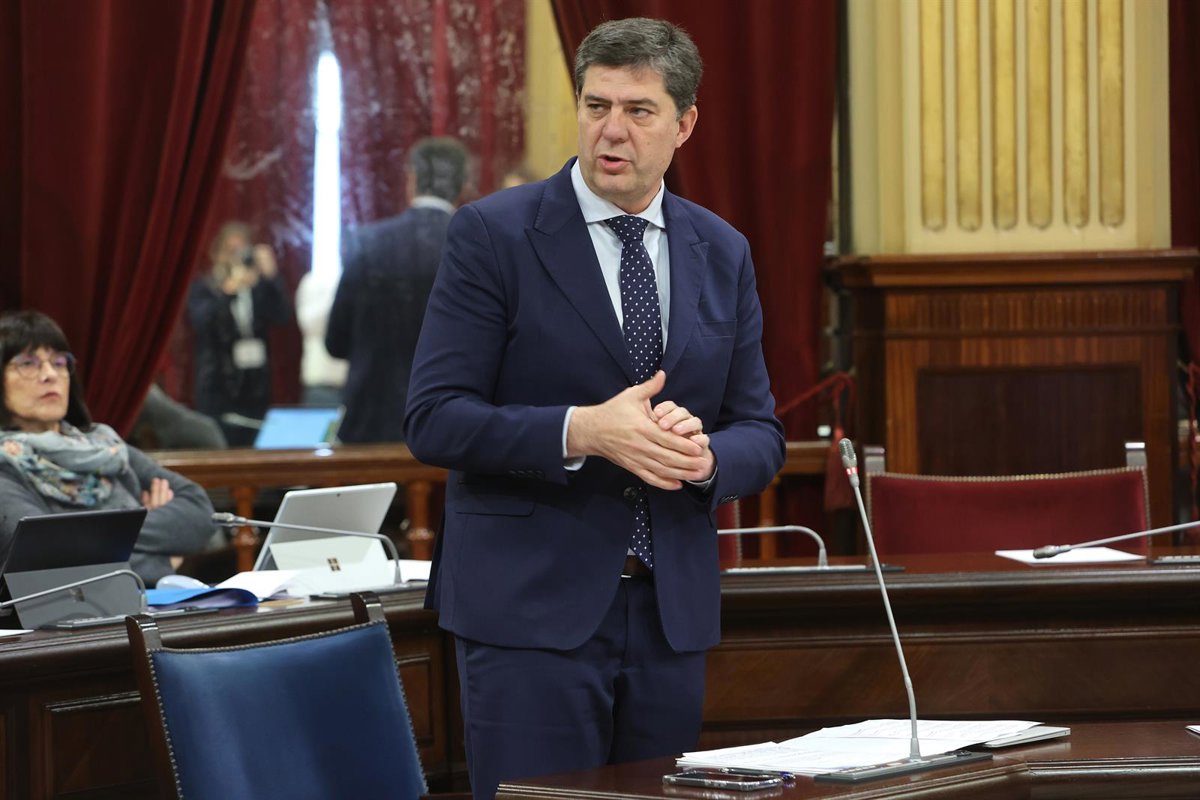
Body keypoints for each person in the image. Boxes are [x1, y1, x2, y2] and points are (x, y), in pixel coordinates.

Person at [404, 18, 786, 799]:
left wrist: (705, 457)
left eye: (639, 111)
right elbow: (434, 417)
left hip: (669, 613)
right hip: (528, 613)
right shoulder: (493, 234)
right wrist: (581, 430)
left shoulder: (723, 249)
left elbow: (759, 431)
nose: (612, 130)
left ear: (684, 124)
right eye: (596, 105)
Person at [0, 310, 217, 587]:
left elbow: (200, 512)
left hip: (153, 604)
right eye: (28, 364)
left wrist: (92, 541)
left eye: (59, 362)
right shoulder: (5, 466)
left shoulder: (104, 446)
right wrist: (162, 557)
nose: (50, 374)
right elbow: (52, 561)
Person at [326, 136, 469, 443]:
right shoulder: (475, 246)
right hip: (449, 427)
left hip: (369, 424)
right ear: (462, 185)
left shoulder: (367, 243)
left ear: (411, 180)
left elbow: (335, 341)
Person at [187, 221, 291, 446]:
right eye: (230, 251)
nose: (236, 258)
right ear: (216, 254)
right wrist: (228, 292)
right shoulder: (206, 287)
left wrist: (272, 278)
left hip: (255, 387)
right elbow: (203, 323)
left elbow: (282, 316)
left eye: (242, 251)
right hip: (218, 387)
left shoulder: (258, 288)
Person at [294, 269, 348, 407]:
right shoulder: (312, 280)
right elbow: (309, 323)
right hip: (320, 381)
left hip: (349, 382)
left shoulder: (353, 278)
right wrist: (338, 295)